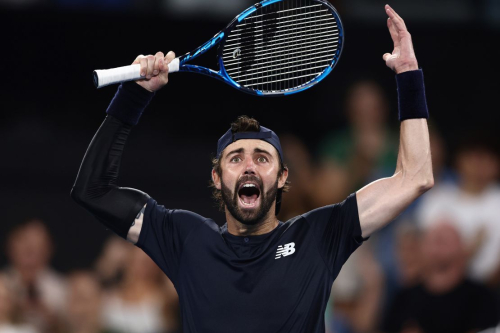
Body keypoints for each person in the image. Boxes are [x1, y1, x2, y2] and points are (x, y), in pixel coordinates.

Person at [71, 5, 433, 332]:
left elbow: (415, 177)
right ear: (216, 177)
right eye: (235, 158)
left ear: (282, 176)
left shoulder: (319, 234)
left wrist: (408, 74)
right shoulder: (185, 238)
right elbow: (92, 191)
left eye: (262, 158)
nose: (248, 167)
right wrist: (134, 95)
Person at [381, 223, 498, 333]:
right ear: (422, 248)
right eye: (433, 239)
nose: (438, 242)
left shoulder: (482, 298)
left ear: (463, 250)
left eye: (445, 239)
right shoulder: (404, 298)